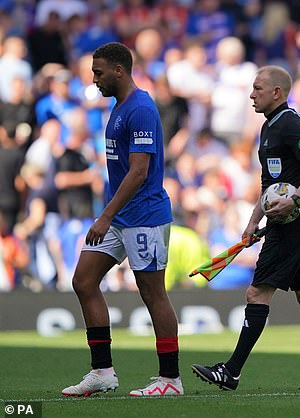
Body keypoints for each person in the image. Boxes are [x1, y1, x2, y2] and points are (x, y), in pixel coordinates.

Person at [191, 65, 300, 391]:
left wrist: (296, 200)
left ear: (277, 92)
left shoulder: (291, 124)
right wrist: (251, 222)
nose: (251, 94)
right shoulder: (269, 128)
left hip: (292, 224)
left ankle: (231, 371)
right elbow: (269, 187)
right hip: (284, 223)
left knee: (256, 292)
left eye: (258, 88)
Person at [61, 42, 183, 397]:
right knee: (84, 281)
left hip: (144, 216)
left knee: (152, 292)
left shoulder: (141, 108)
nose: (94, 79)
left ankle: (170, 379)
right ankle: (102, 371)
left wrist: (104, 215)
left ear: (119, 70)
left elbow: (139, 171)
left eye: (98, 72)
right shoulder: (119, 108)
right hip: (120, 217)